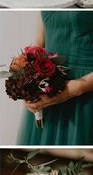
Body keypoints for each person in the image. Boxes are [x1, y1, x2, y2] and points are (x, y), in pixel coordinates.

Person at [18, 11, 93, 145]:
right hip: (48, 87)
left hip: (86, 92)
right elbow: (40, 43)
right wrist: (26, 84)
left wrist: (74, 89)